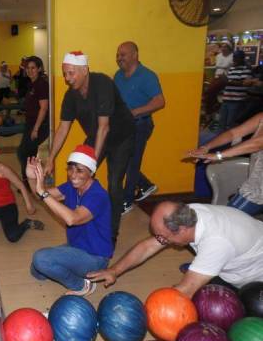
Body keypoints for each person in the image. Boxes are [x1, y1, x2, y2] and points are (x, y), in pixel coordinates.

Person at [45, 51, 135, 242]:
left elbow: (104, 127)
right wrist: (50, 159)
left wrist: (91, 163)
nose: (67, 79)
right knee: (78, 173)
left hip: (121, 137)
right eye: (65, 74)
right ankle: (81, 217)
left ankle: (111, 233)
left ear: (85, 70)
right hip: (97, 136)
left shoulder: (102, 83)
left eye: (71, 73)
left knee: (114, 183)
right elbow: (62, 128)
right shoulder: (71, 96)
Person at [88, 201, 263, 298]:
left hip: (253, 281)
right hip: (234, 258)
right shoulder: (189, 212)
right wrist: (114, 270)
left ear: (182, 230)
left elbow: (185, 291)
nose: (160, 241)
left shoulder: (216, 242)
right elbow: (148, 246)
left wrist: (137, 314)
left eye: (164, 237)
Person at [28, 145, 113, 296]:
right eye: (70, 169)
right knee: (36, 270)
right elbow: (40, 196)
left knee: (41, 259)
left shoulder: (98, 195)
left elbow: (72, 219)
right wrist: (31, 177)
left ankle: (82, 285)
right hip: (76, 246)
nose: (73, 175)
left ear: (91, 172)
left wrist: (42, 191)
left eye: (80, 170)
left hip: (95, 257)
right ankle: (76, 269)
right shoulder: (71, 187)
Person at [115, 42, 165, 213]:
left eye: (123, 54)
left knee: (132, 162)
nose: (119, 58)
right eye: (118, 55)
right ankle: (145, 185)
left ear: (135, 55)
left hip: (141, 125)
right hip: (123, 126)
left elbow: (160, 101)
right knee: (124, 160)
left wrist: (136, 111)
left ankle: (127, 200)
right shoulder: (118, 76)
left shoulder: (147, 76)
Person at [187, 112, 263, 216]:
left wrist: (218, 155)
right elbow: (234, 133)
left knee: (229, 218)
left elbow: (258, 143)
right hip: (256, 185)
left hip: (257, 191)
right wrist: (205, 148)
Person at [17, 56, 49, 182]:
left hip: (38, 125)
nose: (30, 71)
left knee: (23, 153)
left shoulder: (41, 85)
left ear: (39, 68)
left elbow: (44, 108)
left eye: (33, 68)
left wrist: (35, 129)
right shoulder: (32, 84)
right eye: (28, 68)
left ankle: (28, 181)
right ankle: (32, 180)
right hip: (30, 124)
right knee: (29, 154)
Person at [218, 50, 254, 131]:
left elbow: (245, 83)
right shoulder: (232, 68)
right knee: (221, 123)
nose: (234, 59)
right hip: (226, 99)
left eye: (236, 57)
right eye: (233, 57)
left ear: (242, 58)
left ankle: (230, 142)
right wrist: (223, 80)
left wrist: (228, 82)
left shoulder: (246, 69)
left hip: (237, 101)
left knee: (231, 125)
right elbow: (228, 81)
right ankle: (219, 141)